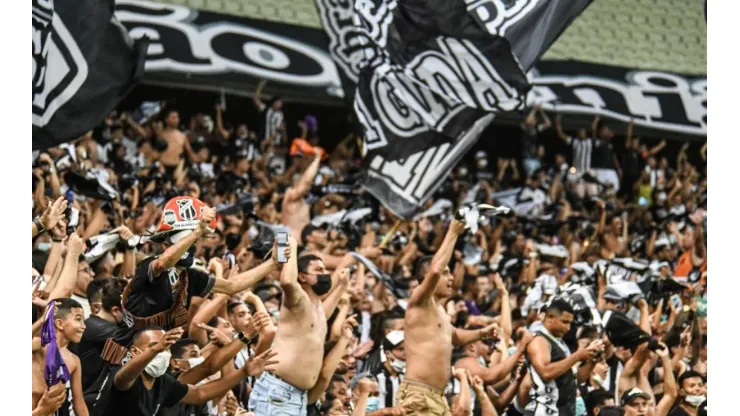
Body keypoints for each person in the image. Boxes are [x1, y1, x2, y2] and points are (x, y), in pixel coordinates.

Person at [399, 218, 499, 416]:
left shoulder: (440, 311)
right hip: (418, 394)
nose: (451, 278)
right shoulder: (418, 302)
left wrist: (481, 333)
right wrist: (452, 232)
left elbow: (454, 336)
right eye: (447, 273)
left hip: (438, 396)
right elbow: (435, 270)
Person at [249, 238, 342, 415]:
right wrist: (290, 246)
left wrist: (342, 287)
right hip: (279, 393)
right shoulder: (297, 300)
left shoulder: (316, 308)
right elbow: (287, 282)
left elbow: (323, 316)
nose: (325, 274)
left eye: (325, 270)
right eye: (318, 270)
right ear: (302, 276)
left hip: (298, 397)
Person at [102, 326, 277, 416]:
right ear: (134, 352)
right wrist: (155, 350)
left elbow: (201, 393)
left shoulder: (164, 382)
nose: (162, 351)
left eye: (167, 348)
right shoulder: (126, 377)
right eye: (154, 346)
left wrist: (244, 371)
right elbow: (124, 377)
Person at [524, 299, 604, 416]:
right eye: (565, 322)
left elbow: (574, 380)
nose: (568, 328)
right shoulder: (539, 341)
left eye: (570, 323)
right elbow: (545, 373)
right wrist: (576, 356)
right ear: (550, 317)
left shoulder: (560, 344)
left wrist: (592, 359)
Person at [32, 298, 89, 416]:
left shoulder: (74, 360)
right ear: (59, 324)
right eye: (78, 319)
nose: (84, 326)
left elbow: (79, 402)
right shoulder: (39, 345)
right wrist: (42, 320)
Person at [282, 154, 321, 244]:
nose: (308, 187)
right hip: (286, 242)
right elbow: (306, 182)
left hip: (297, 243)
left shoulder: (303, 200)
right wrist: (317, 159)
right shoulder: (290, 194)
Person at [370, 330, 406, 410]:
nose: (406, 353)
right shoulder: (374, 377)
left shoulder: (405, 378)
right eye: (401, 349)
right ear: (388, 353)